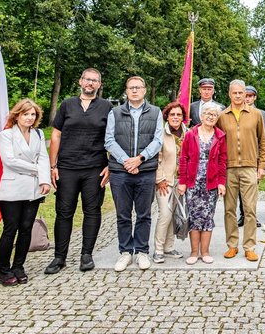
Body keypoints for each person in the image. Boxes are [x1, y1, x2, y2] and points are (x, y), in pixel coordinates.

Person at [46, 68, 112, 274]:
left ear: (99, 85)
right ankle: (59, 257)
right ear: (80, 81)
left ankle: (86, 255)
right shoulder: (67, 105)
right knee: (64, 212)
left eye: (95, 81)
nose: (90, 83)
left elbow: (113, 138)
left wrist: (110, 165)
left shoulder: (107, 107)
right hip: (67, 167)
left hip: (95, 168)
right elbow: (56, 136)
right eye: (87, 79)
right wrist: (52, 166)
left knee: (92, 211)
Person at [104, 76, 163, 271]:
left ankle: (142, 251)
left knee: (144, 213)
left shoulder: (155, 112)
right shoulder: (115, 112)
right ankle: (125, 252)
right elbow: (109, 140)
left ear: (144, 90)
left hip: (145, 170)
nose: (135, 91)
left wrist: (140, 159)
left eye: (138, 87)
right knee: (123, 214)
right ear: (126, 91)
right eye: (131, 88)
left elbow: (158, 140)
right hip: (120, 171)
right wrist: (126, 161)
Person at [0, 99, 51, 286]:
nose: (29, 118)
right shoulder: (6, 135)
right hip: (12, 188)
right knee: (10, 229)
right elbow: (10, 161)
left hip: (33, 188)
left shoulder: (38, 134)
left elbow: (44, 157)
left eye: (33, 114)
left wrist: (45, 180)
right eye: (25, 114)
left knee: (26, 228)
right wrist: (36, 169)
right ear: (17, 115)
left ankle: (18, 266)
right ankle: (4, 271)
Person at [218, 80, 265, 262]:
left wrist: (261, 166)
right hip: (229, 169)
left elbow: (263, 142)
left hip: (249, 168)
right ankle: (232, 245)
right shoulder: (222, 116)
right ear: (229, 94)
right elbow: (218, 143)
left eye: (241, 93)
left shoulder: (255, 114)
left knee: (250, 209)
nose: (238, 96)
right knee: (229, 209)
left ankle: (249, 246)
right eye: (235, 93)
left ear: (245, 94)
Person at [178, 103, 227, 265]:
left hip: (211, 183)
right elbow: (184, 159)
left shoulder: (220, 136)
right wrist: (182, 182)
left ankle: (205, 252)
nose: (210, 116)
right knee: (194, 217)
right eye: (207, 113)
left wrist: (221, 182)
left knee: (207, 217)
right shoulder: (191, 134)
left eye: (214, 115)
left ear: (217, 118)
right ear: (201, 116)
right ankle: (193, 252)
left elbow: (222, 161)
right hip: (193, 182)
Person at [153, 101, 187, 263]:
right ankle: (158, 249)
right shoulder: (161, 133)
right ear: (166, 116)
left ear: (183, 117)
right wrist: (160, 179)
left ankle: (169, 247)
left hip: (182, 181)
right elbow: (156, 159)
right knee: (165, 215)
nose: (175, 117)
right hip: (165, 181)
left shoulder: (187, 133)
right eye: (172, 114)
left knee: (174, 215)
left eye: (178, 114)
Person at [238, 85, 265, 228]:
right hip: (238, 155)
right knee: (239, 189)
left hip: (253, 156)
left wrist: (261, 161)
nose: (248, 98)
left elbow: (263, 138)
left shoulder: (260, 113)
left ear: (254, 97)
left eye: (250, 96)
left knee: (253, 188)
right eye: (246, 95)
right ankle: (242, 214)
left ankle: (252, 216)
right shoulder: (238, 111)